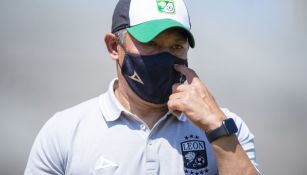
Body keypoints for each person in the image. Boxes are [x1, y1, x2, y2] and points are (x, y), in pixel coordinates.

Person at [25, 0, 260, 174]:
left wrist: (218, 130)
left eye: (177, 47)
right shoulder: (64, 132)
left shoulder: (229, 127)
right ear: (113, 46)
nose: (165, 57)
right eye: (150, 43)